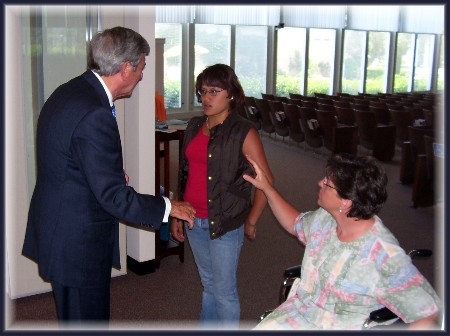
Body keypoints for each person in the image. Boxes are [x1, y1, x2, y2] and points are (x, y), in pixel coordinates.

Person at [22, 26, 196, 325]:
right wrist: (168, 206)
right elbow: (114, 198)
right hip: (78, 246)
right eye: (141, 67)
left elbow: (67, 158)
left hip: (59, 229)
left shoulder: (70, 91)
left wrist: (103, 172)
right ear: (126, 68)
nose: (142, 75)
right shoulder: (95, 113)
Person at [243, 153, 441, 330]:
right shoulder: (326, 220)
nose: (320, 183)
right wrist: (267, 189)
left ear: (346, 202)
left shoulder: (383, 255)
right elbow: (295, 224)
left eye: (328, 182)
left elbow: (428, 313)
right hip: (301, 314)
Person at [170, 64, 273, 329]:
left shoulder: (243, 131)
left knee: (224, 292)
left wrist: (251, 220)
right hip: (193, 220)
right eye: (203, 91)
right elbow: (185, 174)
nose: (206, 98)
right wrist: (176, 213)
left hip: (224, 223)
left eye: (214, 91)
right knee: (208, 285)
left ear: (231, 94)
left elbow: (266, 182)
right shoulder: (193, 126)